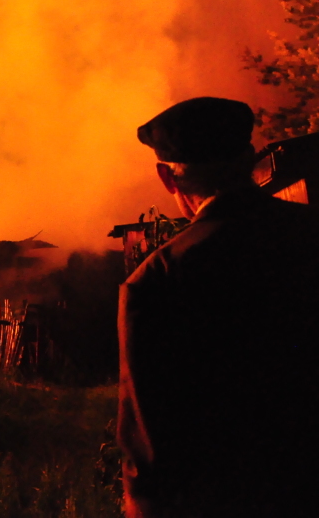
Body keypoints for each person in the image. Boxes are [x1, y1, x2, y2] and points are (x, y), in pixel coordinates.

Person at [118, 97, 319, 517]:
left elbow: (148, 437)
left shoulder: (157, 280)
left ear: (167, 178)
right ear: (249, 159)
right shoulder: (309, 234)